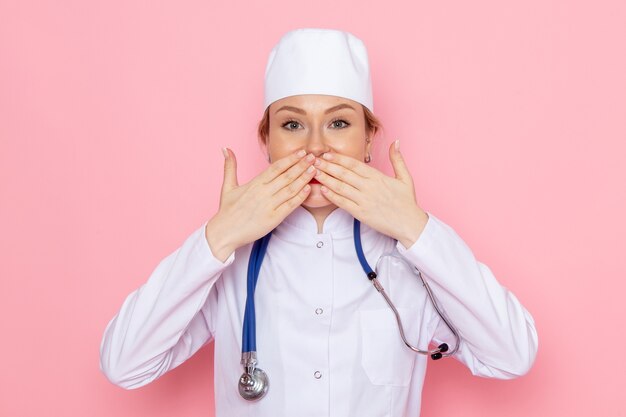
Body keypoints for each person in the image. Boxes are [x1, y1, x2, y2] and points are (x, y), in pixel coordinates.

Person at [99, 28, 538, 416]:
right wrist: (218, 237)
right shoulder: (232, 260)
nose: (314, 148)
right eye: (292, 124)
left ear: (368, 139)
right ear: (266, 141)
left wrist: (416, 228)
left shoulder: (409, 257)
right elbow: (125, 365)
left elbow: (511, 355)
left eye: (339, 123)